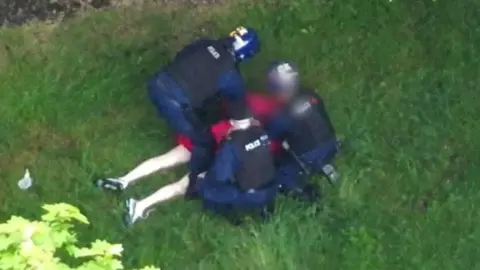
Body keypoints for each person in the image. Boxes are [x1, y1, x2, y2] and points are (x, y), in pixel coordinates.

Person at [129, 26, 260, 186]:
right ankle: (196, 180)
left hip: (157, 83)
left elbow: (181, 57)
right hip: (173, 104)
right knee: (204, 143)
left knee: (202, 107)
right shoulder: (232, 78)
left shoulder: (205, 43)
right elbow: (241, 118)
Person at [263, 61, 342, 201]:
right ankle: (326, 163)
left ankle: (304, 192)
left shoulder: (282, 115)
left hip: (308, 157)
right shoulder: (310, 94)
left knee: (277, 173)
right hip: (331, 142)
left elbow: (268, 137)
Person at [195, 103, 278, 224]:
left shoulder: (232, 144)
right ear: (251, 118)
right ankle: (265, 209)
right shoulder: (262, 133)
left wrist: (204, 176)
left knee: (204, 186)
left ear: (232, 122)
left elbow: (220, 176)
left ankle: (229, 215)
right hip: (272, 187)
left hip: (250, 195)